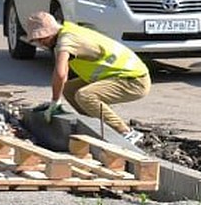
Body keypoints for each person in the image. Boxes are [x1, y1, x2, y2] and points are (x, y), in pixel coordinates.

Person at [23, 10, 151, 144]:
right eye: (37, 40)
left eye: (42, 38)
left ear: (50, 32)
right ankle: (93, 127)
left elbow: (60, 73)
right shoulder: (66, 33)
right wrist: (57, 100)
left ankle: (126, 133)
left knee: (85, 96)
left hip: (134, 79)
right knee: (69, 90)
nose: (41, 43)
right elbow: (64, 73)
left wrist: (55, 101)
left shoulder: (67, 40)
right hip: (116, 75)